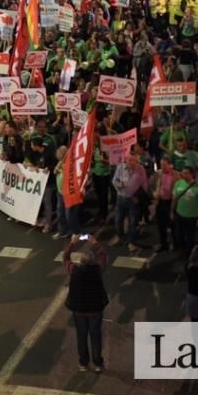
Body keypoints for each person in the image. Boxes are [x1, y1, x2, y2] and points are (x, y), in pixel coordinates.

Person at [62, 235, 108, 373]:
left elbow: (65, 257)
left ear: (80, 262)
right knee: (96, 337)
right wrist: (94, 243)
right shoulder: (97, 270)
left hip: (79, 311)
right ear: (93, 262)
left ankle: (83, 362)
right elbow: (103, 255)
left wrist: (72, 243)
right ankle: (98, 363)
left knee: (81, 336)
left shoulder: (74, 271)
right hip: (95, 310)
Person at [110, 153, 147, 252]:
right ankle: (120, 237)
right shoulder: (120, 167)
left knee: (133, 222)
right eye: (130, 161)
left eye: (134, 161)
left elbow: (144, 185)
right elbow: (114, 180)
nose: (132, 163)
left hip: (132, 200)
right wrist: (119, 185)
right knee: (118, 220)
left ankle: (131, 242)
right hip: (120, 198)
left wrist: (138, 196)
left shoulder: (140, 169)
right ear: (125, 161)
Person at [171, 166, 198, 257]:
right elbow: (174, 199)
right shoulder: (178, 183)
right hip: (180, 214)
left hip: (192, 217)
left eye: (186, 173)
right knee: (179, 234)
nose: (183, 175)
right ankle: (182, 250)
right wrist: (171, 211)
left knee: (190, 237)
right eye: (182, 173)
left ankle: (188, 254)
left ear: (192, 174)